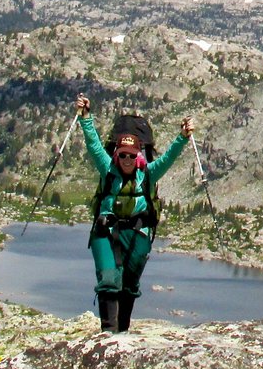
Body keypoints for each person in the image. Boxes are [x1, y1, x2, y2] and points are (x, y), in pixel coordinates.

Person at [73, 92, 194, 333]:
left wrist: (183, 137)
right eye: (122, 155)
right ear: (116, 154)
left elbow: (169, 157)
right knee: (109, 279)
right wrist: (85, 117)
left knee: (129, 284)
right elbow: (94, 144)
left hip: (137, 231)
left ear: (138, 155)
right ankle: (108, 333)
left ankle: (123, 332)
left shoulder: (148, 173)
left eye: (131, 155)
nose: (127, 159)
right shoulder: (107, 168)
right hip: (106, 230)